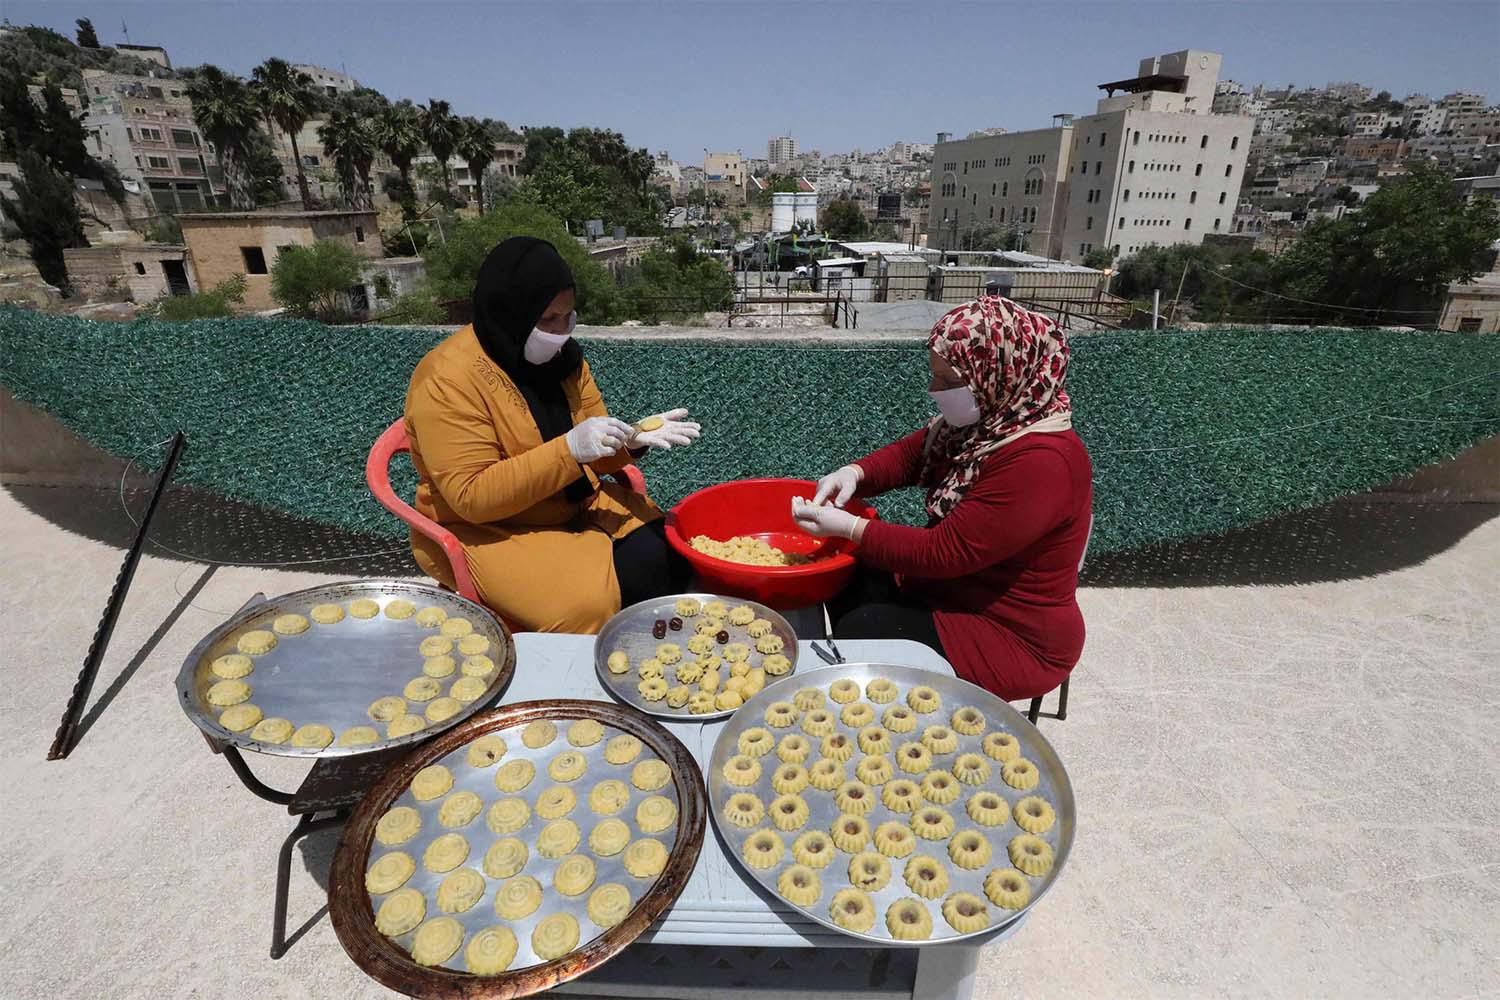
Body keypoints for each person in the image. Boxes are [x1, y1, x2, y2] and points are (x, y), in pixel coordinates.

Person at [791, 296, 1092, 701]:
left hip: (1014, 633)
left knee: (867, 627)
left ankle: (886, 693)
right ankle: (875, 673)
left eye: (949, 381)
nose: (935, 390)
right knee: (846, 569)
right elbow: (911, 455)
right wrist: (854, 474)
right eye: (936, 377)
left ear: (998, 372)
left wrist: (851, 525)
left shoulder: (1042, 461)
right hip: (954, 590)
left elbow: (946, 553)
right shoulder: (988, 422)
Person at [404, 237, 698, 632]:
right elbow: (471, 495)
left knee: (670, 553)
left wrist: (629, 441)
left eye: (568, 318)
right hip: (488, 529)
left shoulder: (566, 363)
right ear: (511, 313)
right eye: (547, 320)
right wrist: (569, 450)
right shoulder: (448, 378)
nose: (560, 333)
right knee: (587, 608)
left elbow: (596, 448)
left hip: (571, 505)